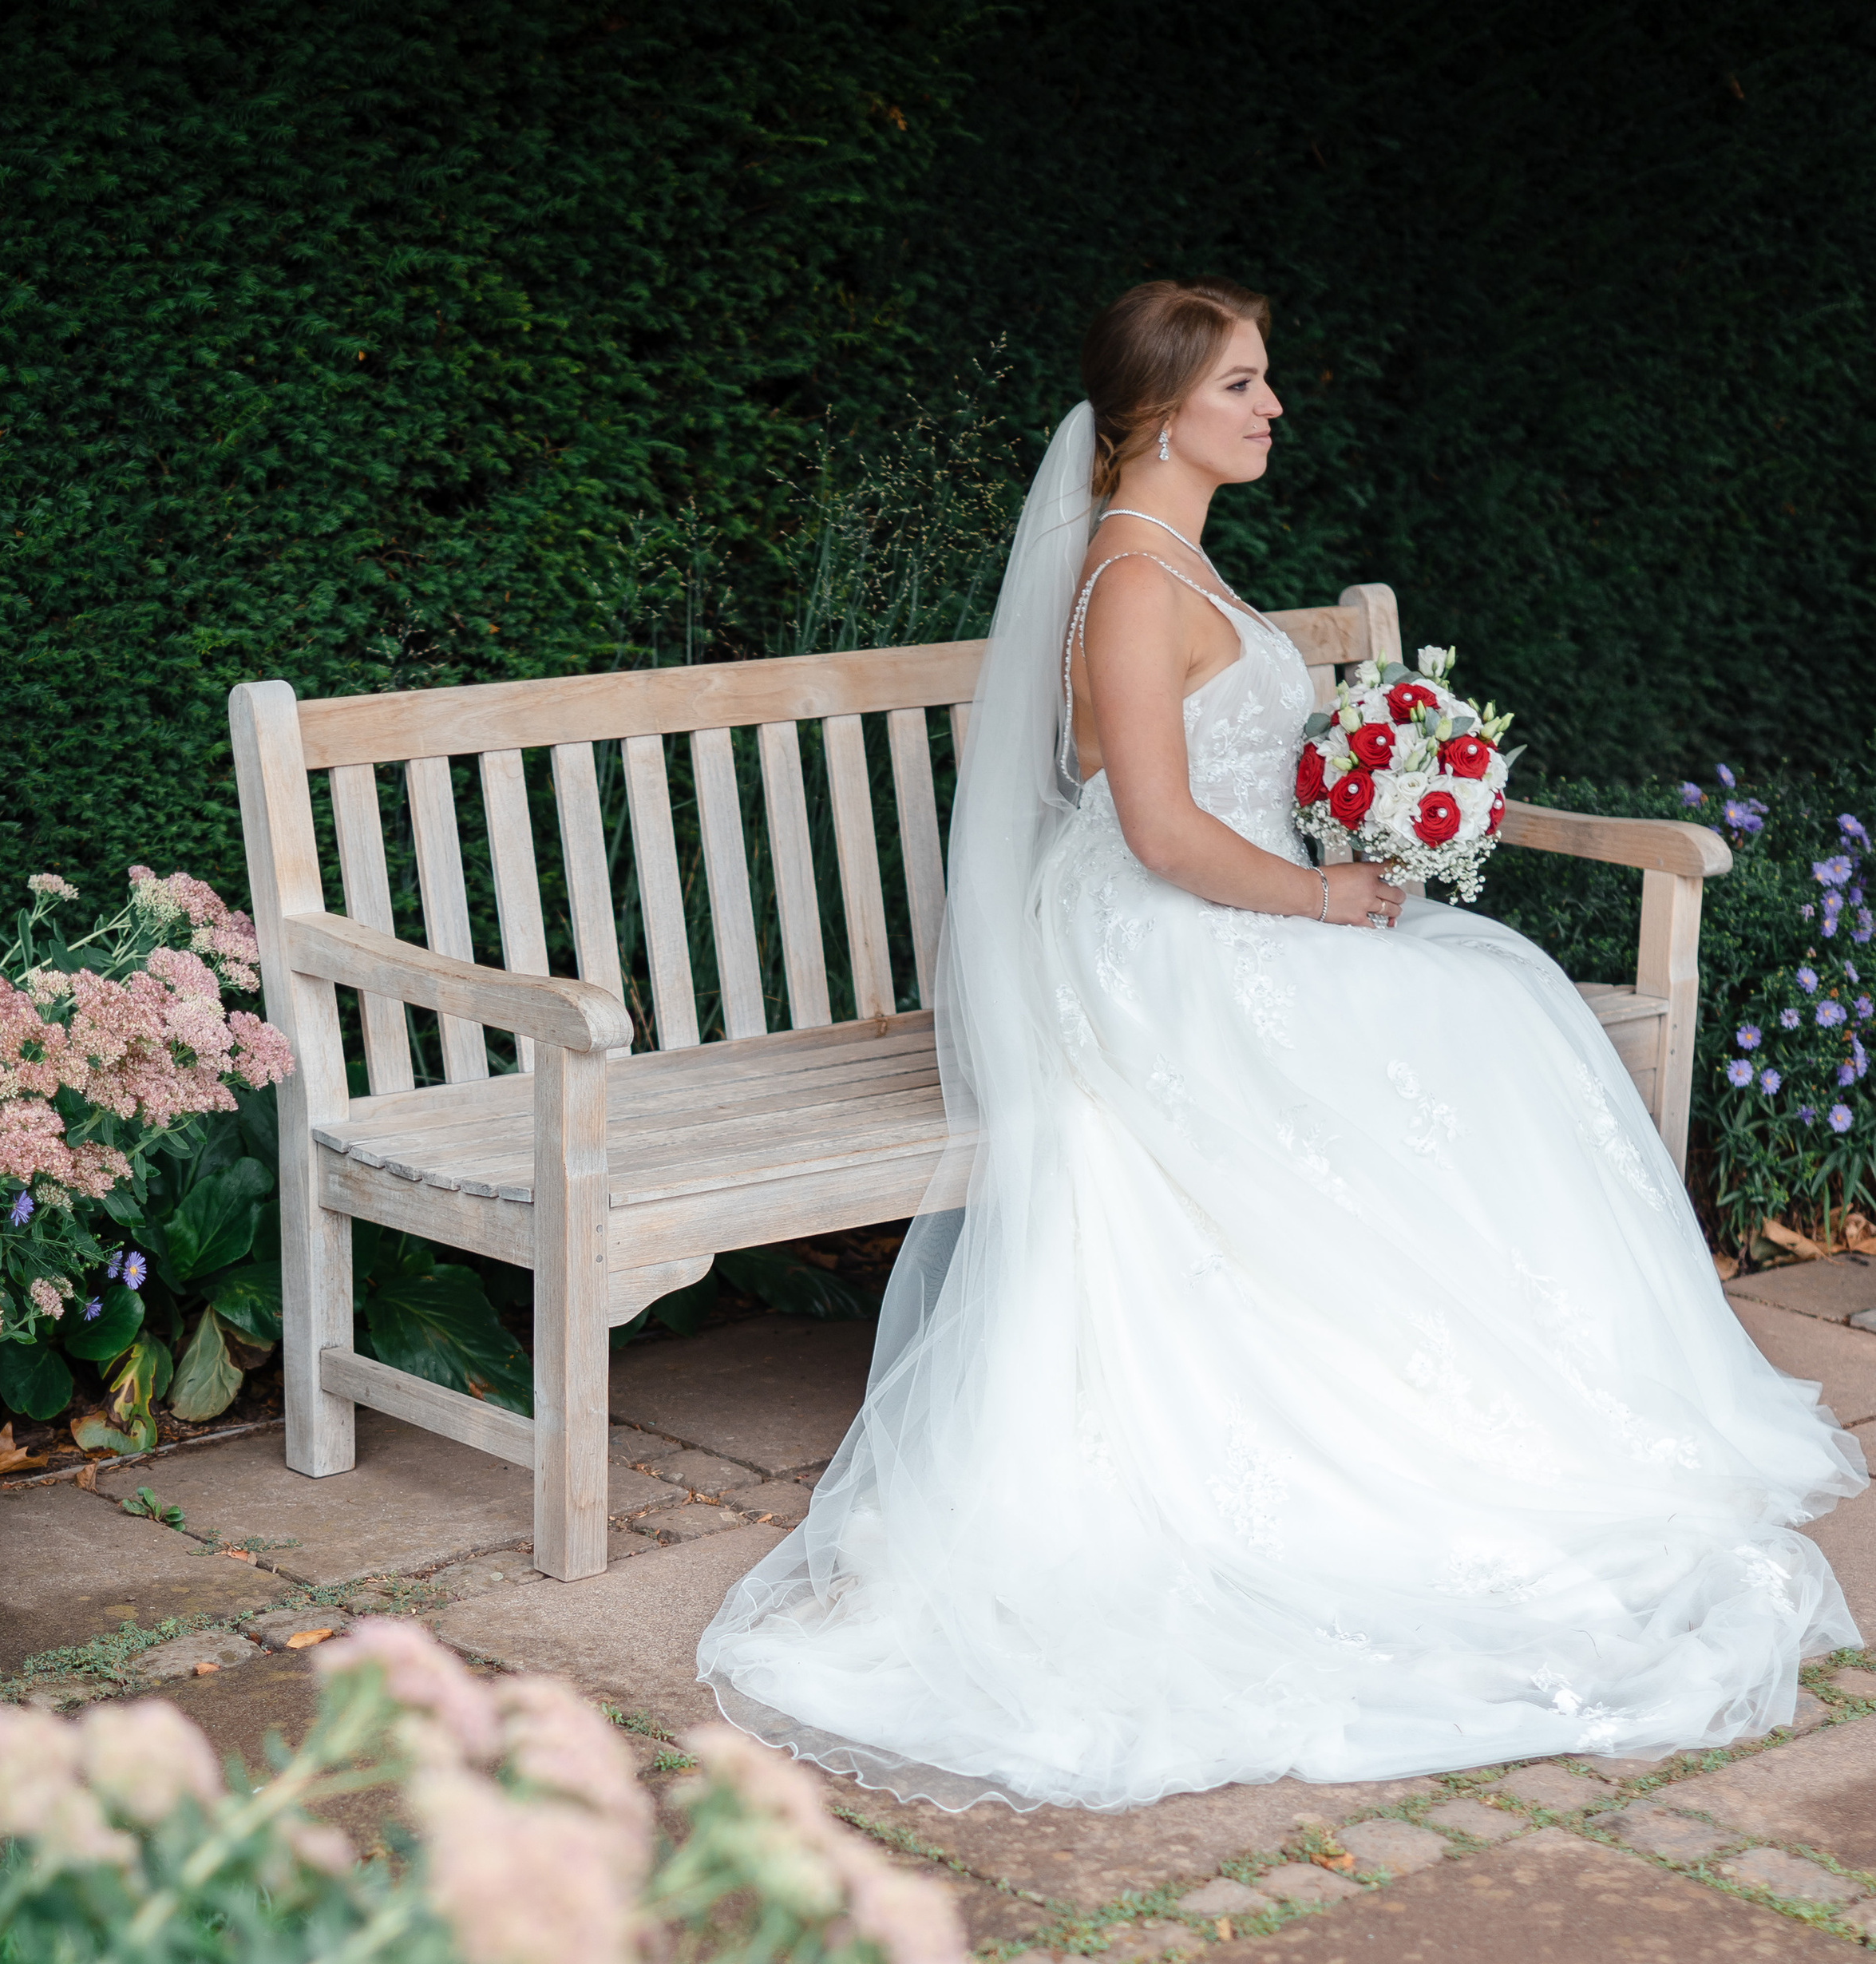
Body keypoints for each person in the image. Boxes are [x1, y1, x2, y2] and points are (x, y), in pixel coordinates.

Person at [696, 276, 1863, 1812]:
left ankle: (1505, 1373)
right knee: (1479, 1005)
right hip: (1160, 932)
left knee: (1485, 998)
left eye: (1263, 382)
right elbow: (1164, 832)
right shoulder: (1128, 579)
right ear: (1157, 410)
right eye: (1242, 385)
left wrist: (1364, 823)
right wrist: (1323, 892)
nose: (1272, 408)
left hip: (1227, 902)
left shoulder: (1176, 561)